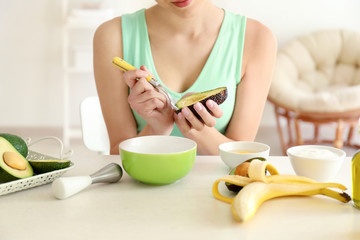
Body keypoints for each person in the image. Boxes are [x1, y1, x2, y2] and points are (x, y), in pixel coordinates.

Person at [93, 0, 277, 155]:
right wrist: (157, 129)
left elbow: (241, 159)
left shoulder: (257, 38)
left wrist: (197, 129)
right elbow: (117, 154)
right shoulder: (112, 35)